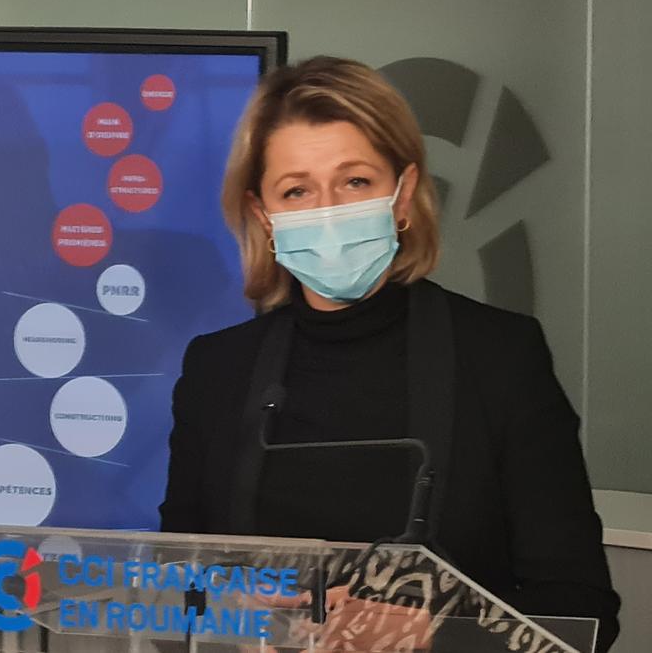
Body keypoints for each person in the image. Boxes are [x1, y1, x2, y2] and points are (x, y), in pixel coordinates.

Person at [158, 56, 620, 651]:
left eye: (355, 182)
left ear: (403, 196)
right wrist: (229, 614)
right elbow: (171, 596)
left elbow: (582, 615)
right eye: (296, 190)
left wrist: (430, 633)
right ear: (262, 216)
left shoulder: (501, 357)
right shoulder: (217, 369)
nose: (328, 211)